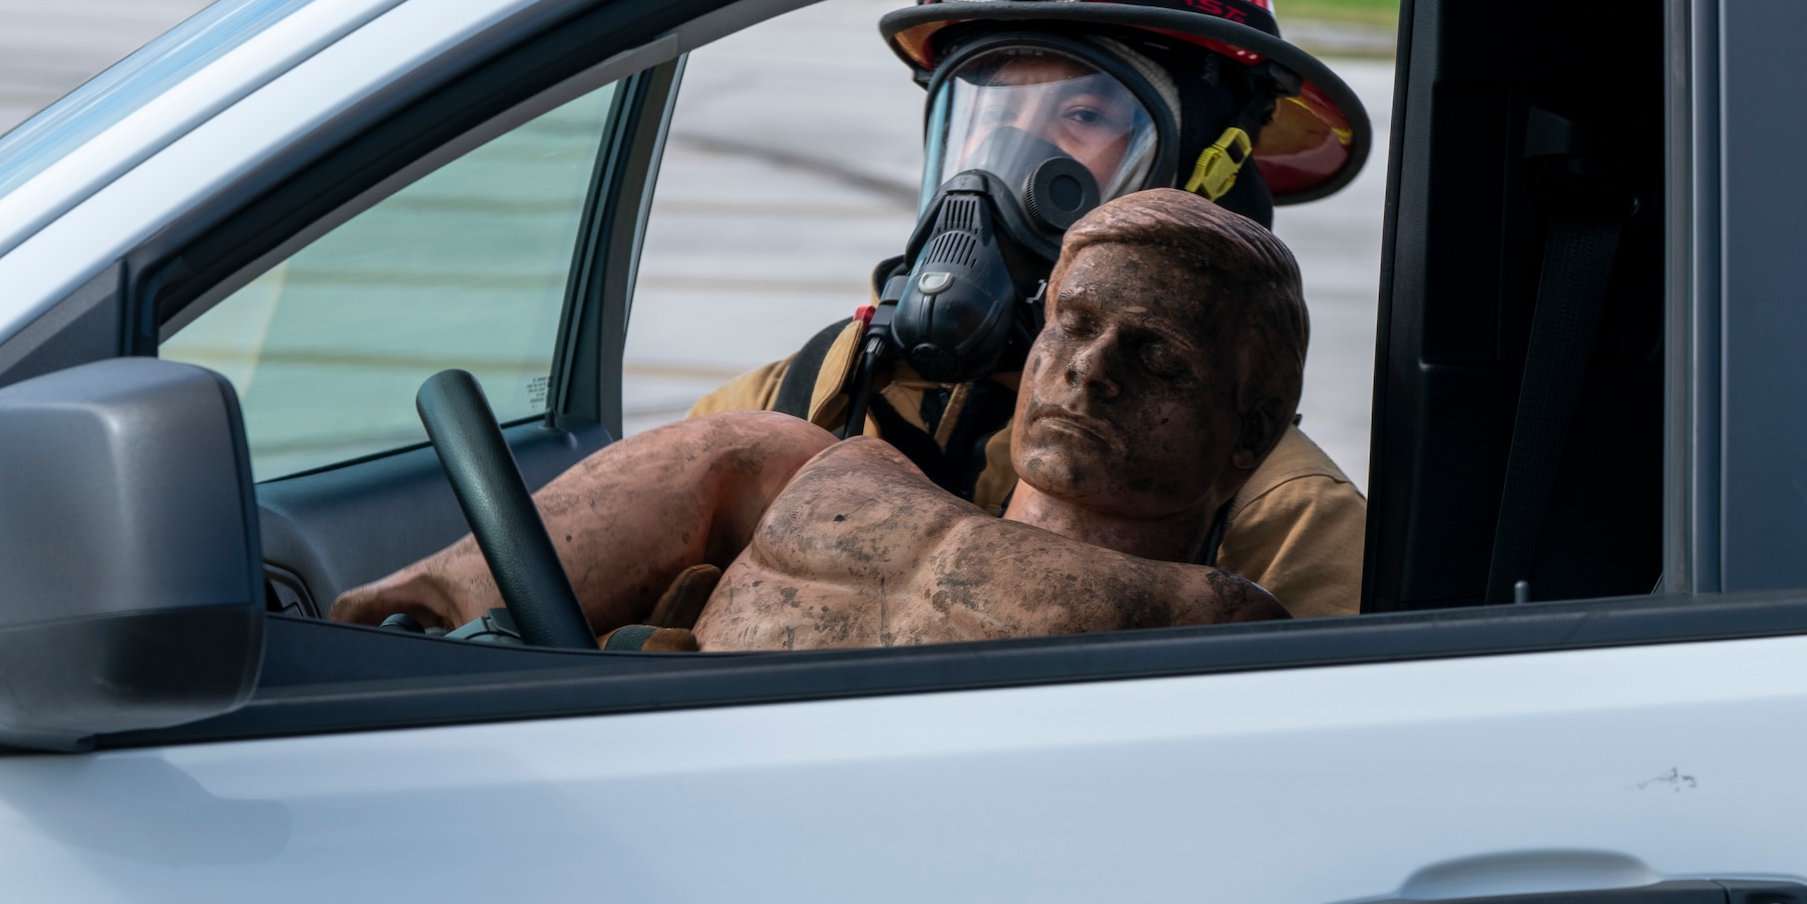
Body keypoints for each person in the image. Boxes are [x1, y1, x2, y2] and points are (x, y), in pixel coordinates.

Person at [691, 0, 1370, 618]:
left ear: (1204, 176)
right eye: (988, 110)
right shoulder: (780, 406)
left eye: (1082, 115)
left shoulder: (1284, 517)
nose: (1004, 164)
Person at [332, 190, 1306, 649]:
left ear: (1246, 433)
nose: (1089, 370)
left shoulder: (1215, 628)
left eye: (1156, 355)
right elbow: (389, 636)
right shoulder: (815, 460)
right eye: (1075, 326)